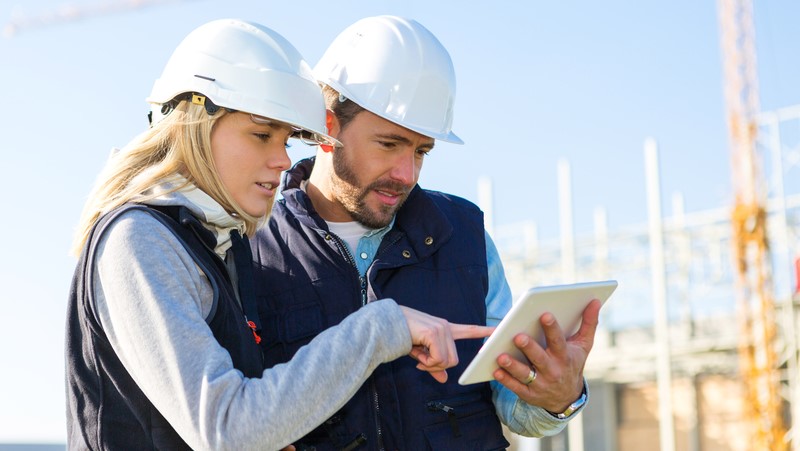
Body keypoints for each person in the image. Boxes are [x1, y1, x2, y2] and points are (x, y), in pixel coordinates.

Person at [64, 18, 493, 451]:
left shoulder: (212, 247)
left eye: (286, 139)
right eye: (262, 135)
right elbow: (227, 429)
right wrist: (382, 328)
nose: (283, 159)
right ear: (195, 121)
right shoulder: (138, 240)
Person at [250, 15, 602, 450]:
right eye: (389, 144)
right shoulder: (250, 248)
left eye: (422, 151)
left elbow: (516, 406)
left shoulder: (465, 235)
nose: (406, 173)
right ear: (327, 126)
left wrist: (557, 396)